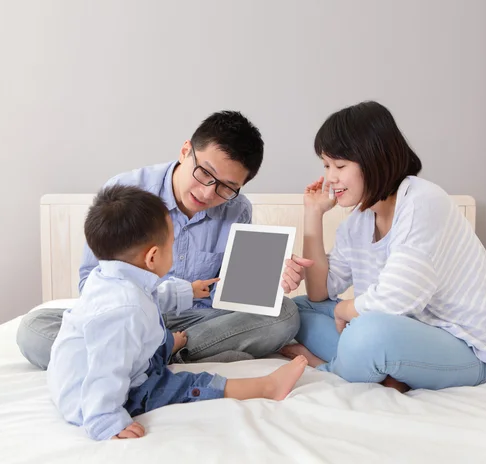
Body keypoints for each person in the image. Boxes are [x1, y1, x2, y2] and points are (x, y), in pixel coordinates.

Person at [18, 111, 311, 369]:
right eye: (205, 173)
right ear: (186, 151)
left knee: (285, 314)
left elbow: (230, 296)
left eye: (226, 187)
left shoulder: (237, 209)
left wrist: (267, 279)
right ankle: (180, 354)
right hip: (127, 320)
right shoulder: (126, 192)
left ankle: (147, 357)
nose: (209, 193)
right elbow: (90, 283)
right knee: (34, 329)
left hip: (196, 323)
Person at [280, 101, 486, 392]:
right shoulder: (358, 222)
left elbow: (396, 300)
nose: (330, 177)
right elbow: (317, 294)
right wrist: (313, 214)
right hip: (404, 334)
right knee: (295, 310)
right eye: (326, 165)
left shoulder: (422, 201)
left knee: (366, 333)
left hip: (468, 348)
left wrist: (345, 311)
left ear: (374, 159)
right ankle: (383, 369)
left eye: (340, 165)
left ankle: (327, 366)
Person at [47, 185, 307, 440]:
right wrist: (105, 421)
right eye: (171, 245)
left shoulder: (109, 276)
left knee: (156, 335)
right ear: (152, 258)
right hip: (91, 397)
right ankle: (266, 387)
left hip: (95, 370)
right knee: (186, 384)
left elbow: (155, 294)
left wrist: (189, 291)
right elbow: (106, 371)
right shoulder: (124, 311)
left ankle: (171, 346)